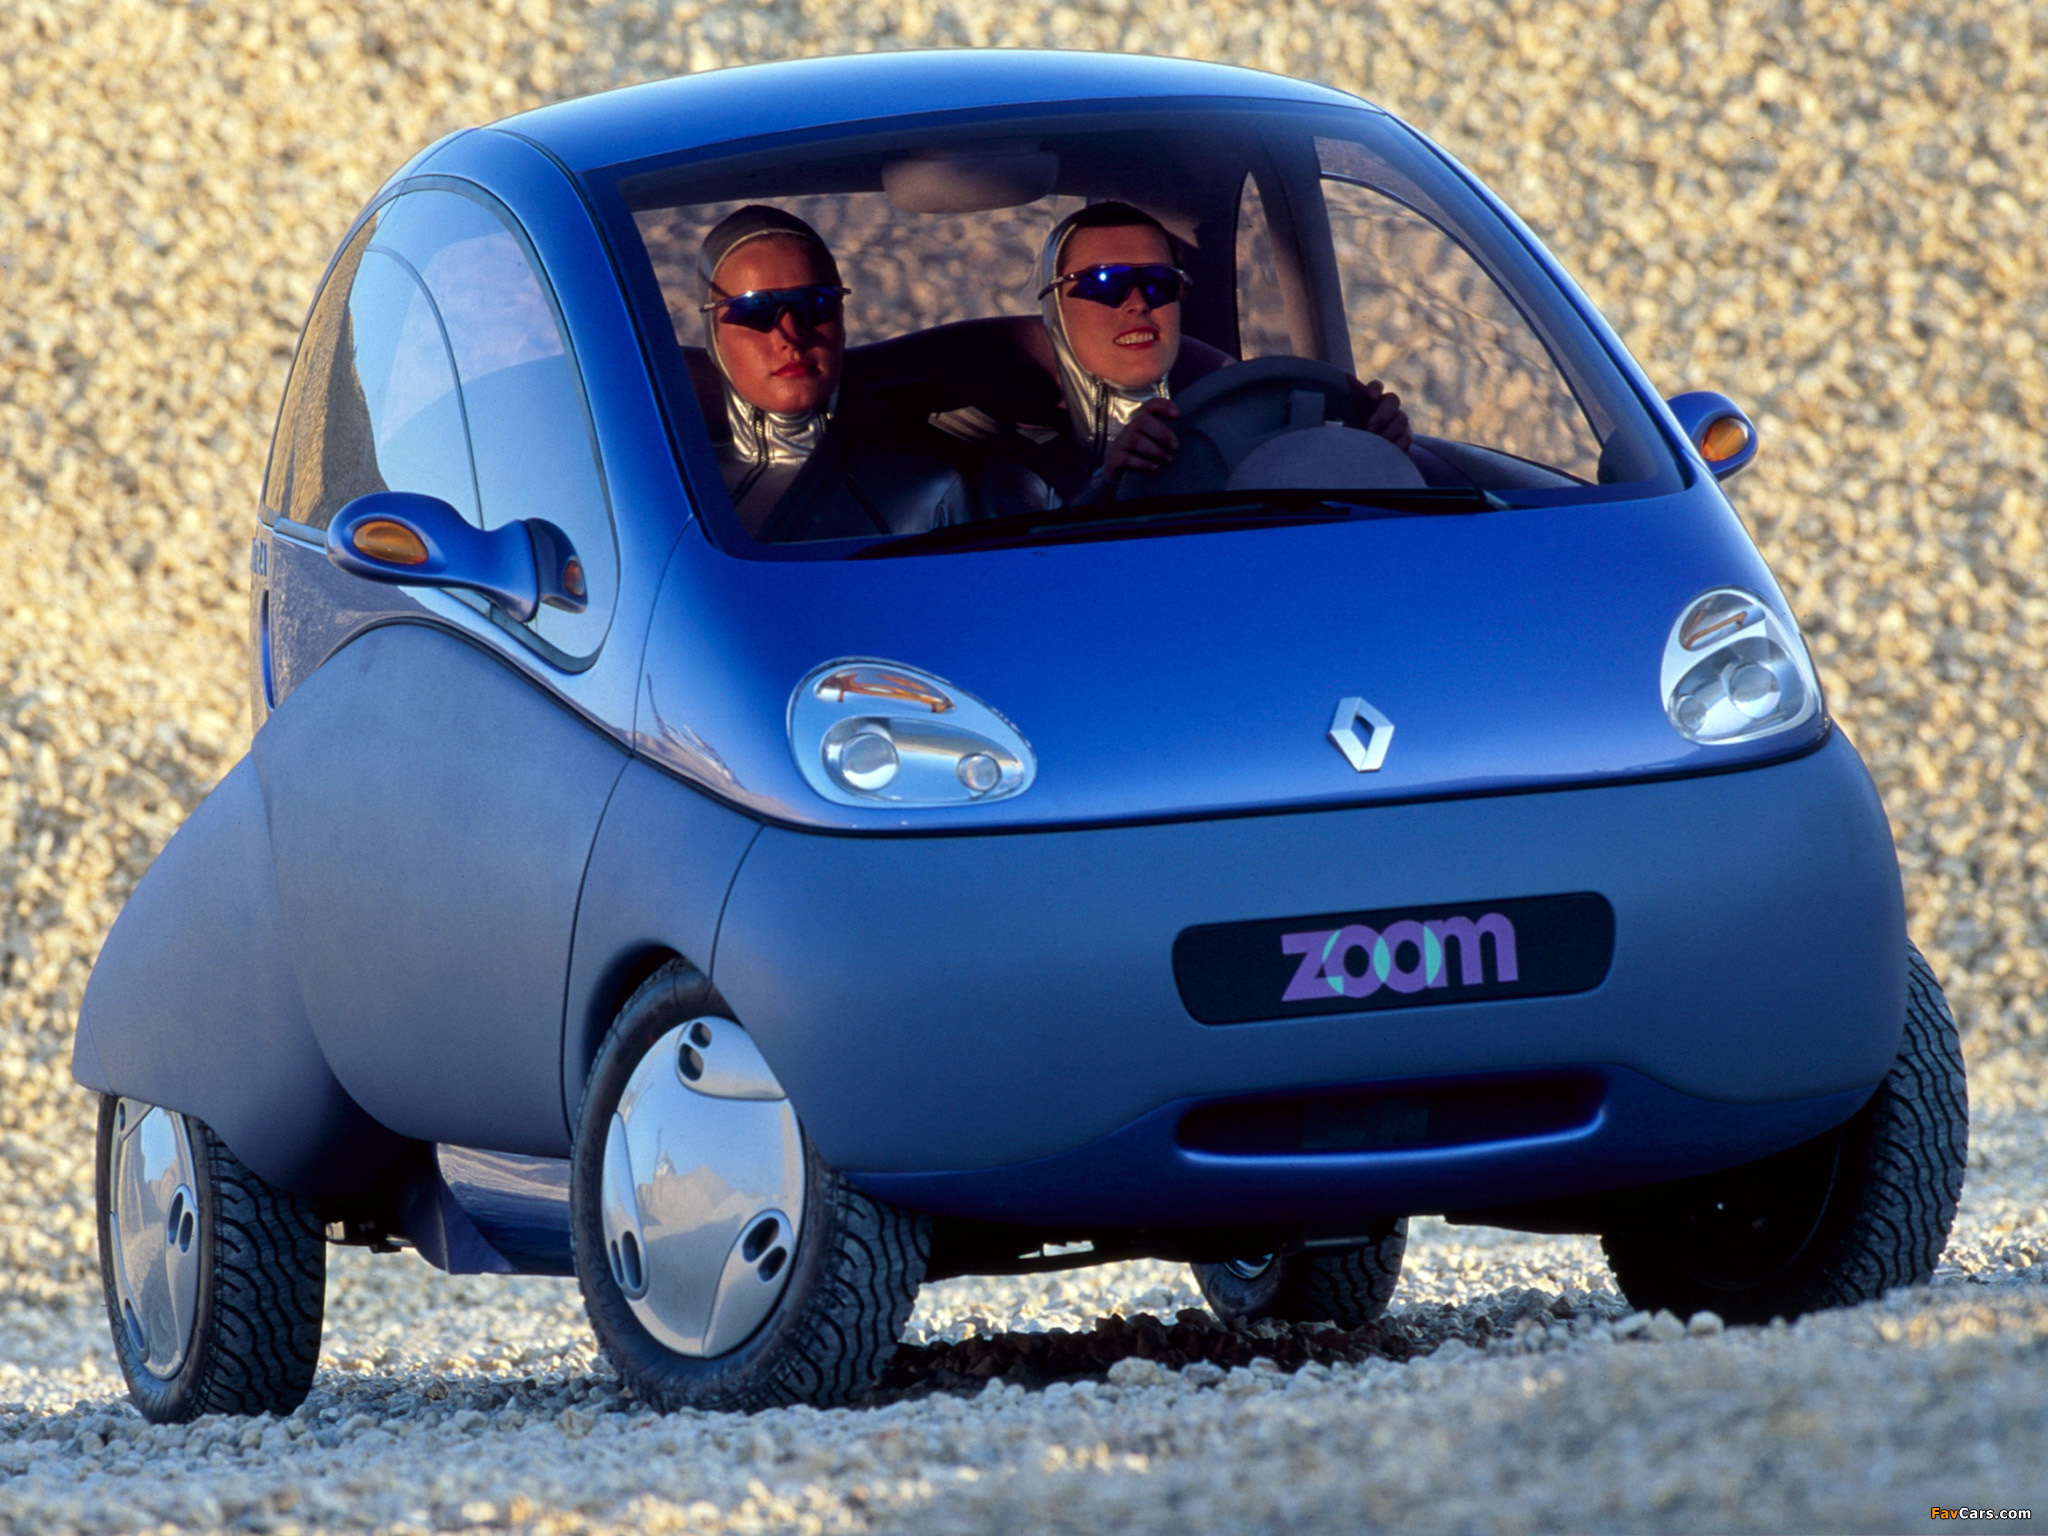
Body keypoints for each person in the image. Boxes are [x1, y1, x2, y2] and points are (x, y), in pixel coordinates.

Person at [1036, 202, 1413, 502]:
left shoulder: (1259, 428)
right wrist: (1105, 488)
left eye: (1159, 282)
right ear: (1055, 307)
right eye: (1104, 282)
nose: (1137, 303)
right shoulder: (1010, 464)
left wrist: (1372, 446)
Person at [698, 205, 972, 541]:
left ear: (841, 320)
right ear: (712, 335)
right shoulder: (663, 494)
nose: (790, 336)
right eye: (755, 309)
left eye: (817, 303)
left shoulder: (931, 491)